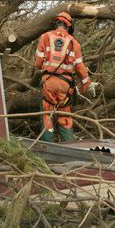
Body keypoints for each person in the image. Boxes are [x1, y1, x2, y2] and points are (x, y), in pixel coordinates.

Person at [35, 12, 97, 142]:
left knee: (47, 115)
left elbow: (38, 63)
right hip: (65, 86)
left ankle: (48, 151)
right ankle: (70, 146)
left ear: (56, 23)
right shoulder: (74, 42)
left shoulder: (45, 37)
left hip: (48, 84)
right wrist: (87, 84)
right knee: (65, 116)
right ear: (69, 26)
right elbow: (80, 67)